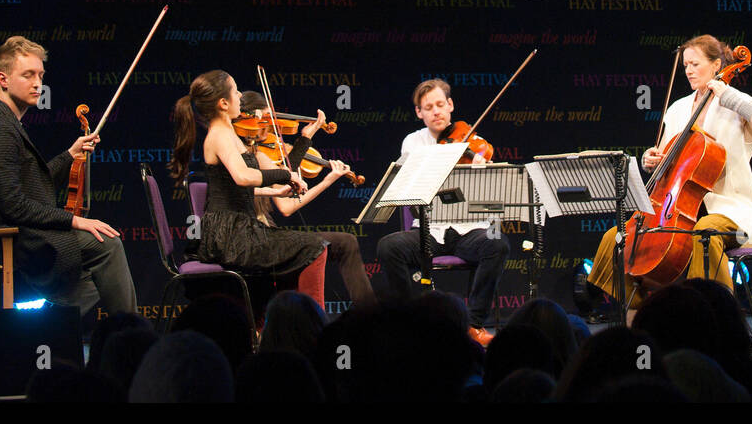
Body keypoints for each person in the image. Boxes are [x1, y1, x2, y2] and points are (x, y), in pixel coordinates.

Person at [586, 34, 752, 308]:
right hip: (678, 208)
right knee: (615, 237)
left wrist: (728, 95)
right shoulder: (677, 109)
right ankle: (641, 309)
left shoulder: (734, 103)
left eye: (695, 64)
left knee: (705, 233)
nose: (688, 70)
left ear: (716, 65)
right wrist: (650, 160)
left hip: (728, 211)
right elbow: (666, 160)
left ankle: (717, 311)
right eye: (685, 64)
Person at [0, 36, 137, 316]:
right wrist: (76, 221)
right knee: (107, 244)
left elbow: (32, 187)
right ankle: (131, 337)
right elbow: (14, 205)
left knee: (91, 279)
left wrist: (69, 155)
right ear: (3, 79)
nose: (38, 83)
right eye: (28, 75)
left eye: (40, 75)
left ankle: (52, 328)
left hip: (15, 235)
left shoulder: (8, 124)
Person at [170, 71, 373, 309]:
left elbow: (235, 188)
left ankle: (289, 324)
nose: (239, 96)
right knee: (312, 246)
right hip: (230, 235)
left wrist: (276, 189)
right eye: (235, 91)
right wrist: (285, 175)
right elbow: (244, 177)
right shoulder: (220, 136)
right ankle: (312, 326)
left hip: (238, 228)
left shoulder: (229, 135)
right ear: (223, 103)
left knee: (299, 248)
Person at [375, 79, 509, 341]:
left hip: (469, 229)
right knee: (387, 247)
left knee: (497, 244)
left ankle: (472, 325)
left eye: (440, 105)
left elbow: (489, 180)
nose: (435, 111)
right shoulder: (413, 142)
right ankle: (410, 322)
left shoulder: (469, 138)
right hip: (429, 230)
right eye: (428, 107)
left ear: (450, 106)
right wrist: (447, 153)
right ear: (419, 112)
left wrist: (479, 163)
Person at [237, 90, 375, 307]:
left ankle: (370, 311)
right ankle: (314, 321)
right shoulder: (245, 156)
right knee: (316, 246)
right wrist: (306, 144)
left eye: (269, 120)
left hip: (267, 231)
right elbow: (286, 202)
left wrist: (326, 178)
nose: (269, 127)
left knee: (346, 241)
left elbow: (286, 194)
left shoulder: (261, 154)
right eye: (262, 120)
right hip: (254, 237)